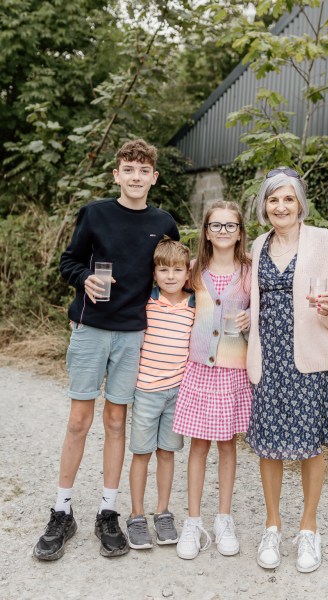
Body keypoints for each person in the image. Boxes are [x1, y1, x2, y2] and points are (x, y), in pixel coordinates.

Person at [33, 139, 179, 561]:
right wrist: (85, 280)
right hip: (92, 328)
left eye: (143, 170)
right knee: (80, 420)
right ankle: (61, 511)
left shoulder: (164, 222)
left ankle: (107, 510)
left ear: (154, 177)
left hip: (135, 334)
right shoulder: (95, 213)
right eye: (128, 169)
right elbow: (69, 262)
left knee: (117, 421)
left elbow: (171, 274)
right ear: (116, 174)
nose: (136, 177)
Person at [246, 167, 328, 573]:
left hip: (309, 360)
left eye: (288, 199)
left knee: (310, 445)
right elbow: (248, 299)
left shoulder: (323, 242)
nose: (281, 206)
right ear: (264, 206)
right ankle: (272, 525)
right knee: (268, 444)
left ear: (300, 204)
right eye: (273, 199)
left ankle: (308, 529)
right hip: (268, 359)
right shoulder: (258, 245)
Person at [173, 200, 252, 560]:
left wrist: (252, 318)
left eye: (230, 226)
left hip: (233, 371)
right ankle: (193, 520)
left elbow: (263, 310)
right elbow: (166, 300)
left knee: (227, 445)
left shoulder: (249, 272)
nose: (223, 231)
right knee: (198, 446)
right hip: (199, 370)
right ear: (206, 231)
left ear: (239, 232)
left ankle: (224, 518)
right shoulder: (193, 271)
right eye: (216, 225)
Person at [126, 237, 195, 550]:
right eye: (163, 269)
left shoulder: (193, 304)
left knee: (167, 453)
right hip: (146, 391)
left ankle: (162, 512)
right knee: (141, 453)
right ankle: (136, 515)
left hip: (177, 393)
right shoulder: (147, 301)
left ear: (186, 273)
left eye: (177, 269)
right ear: (154, 273)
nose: (170, 276)